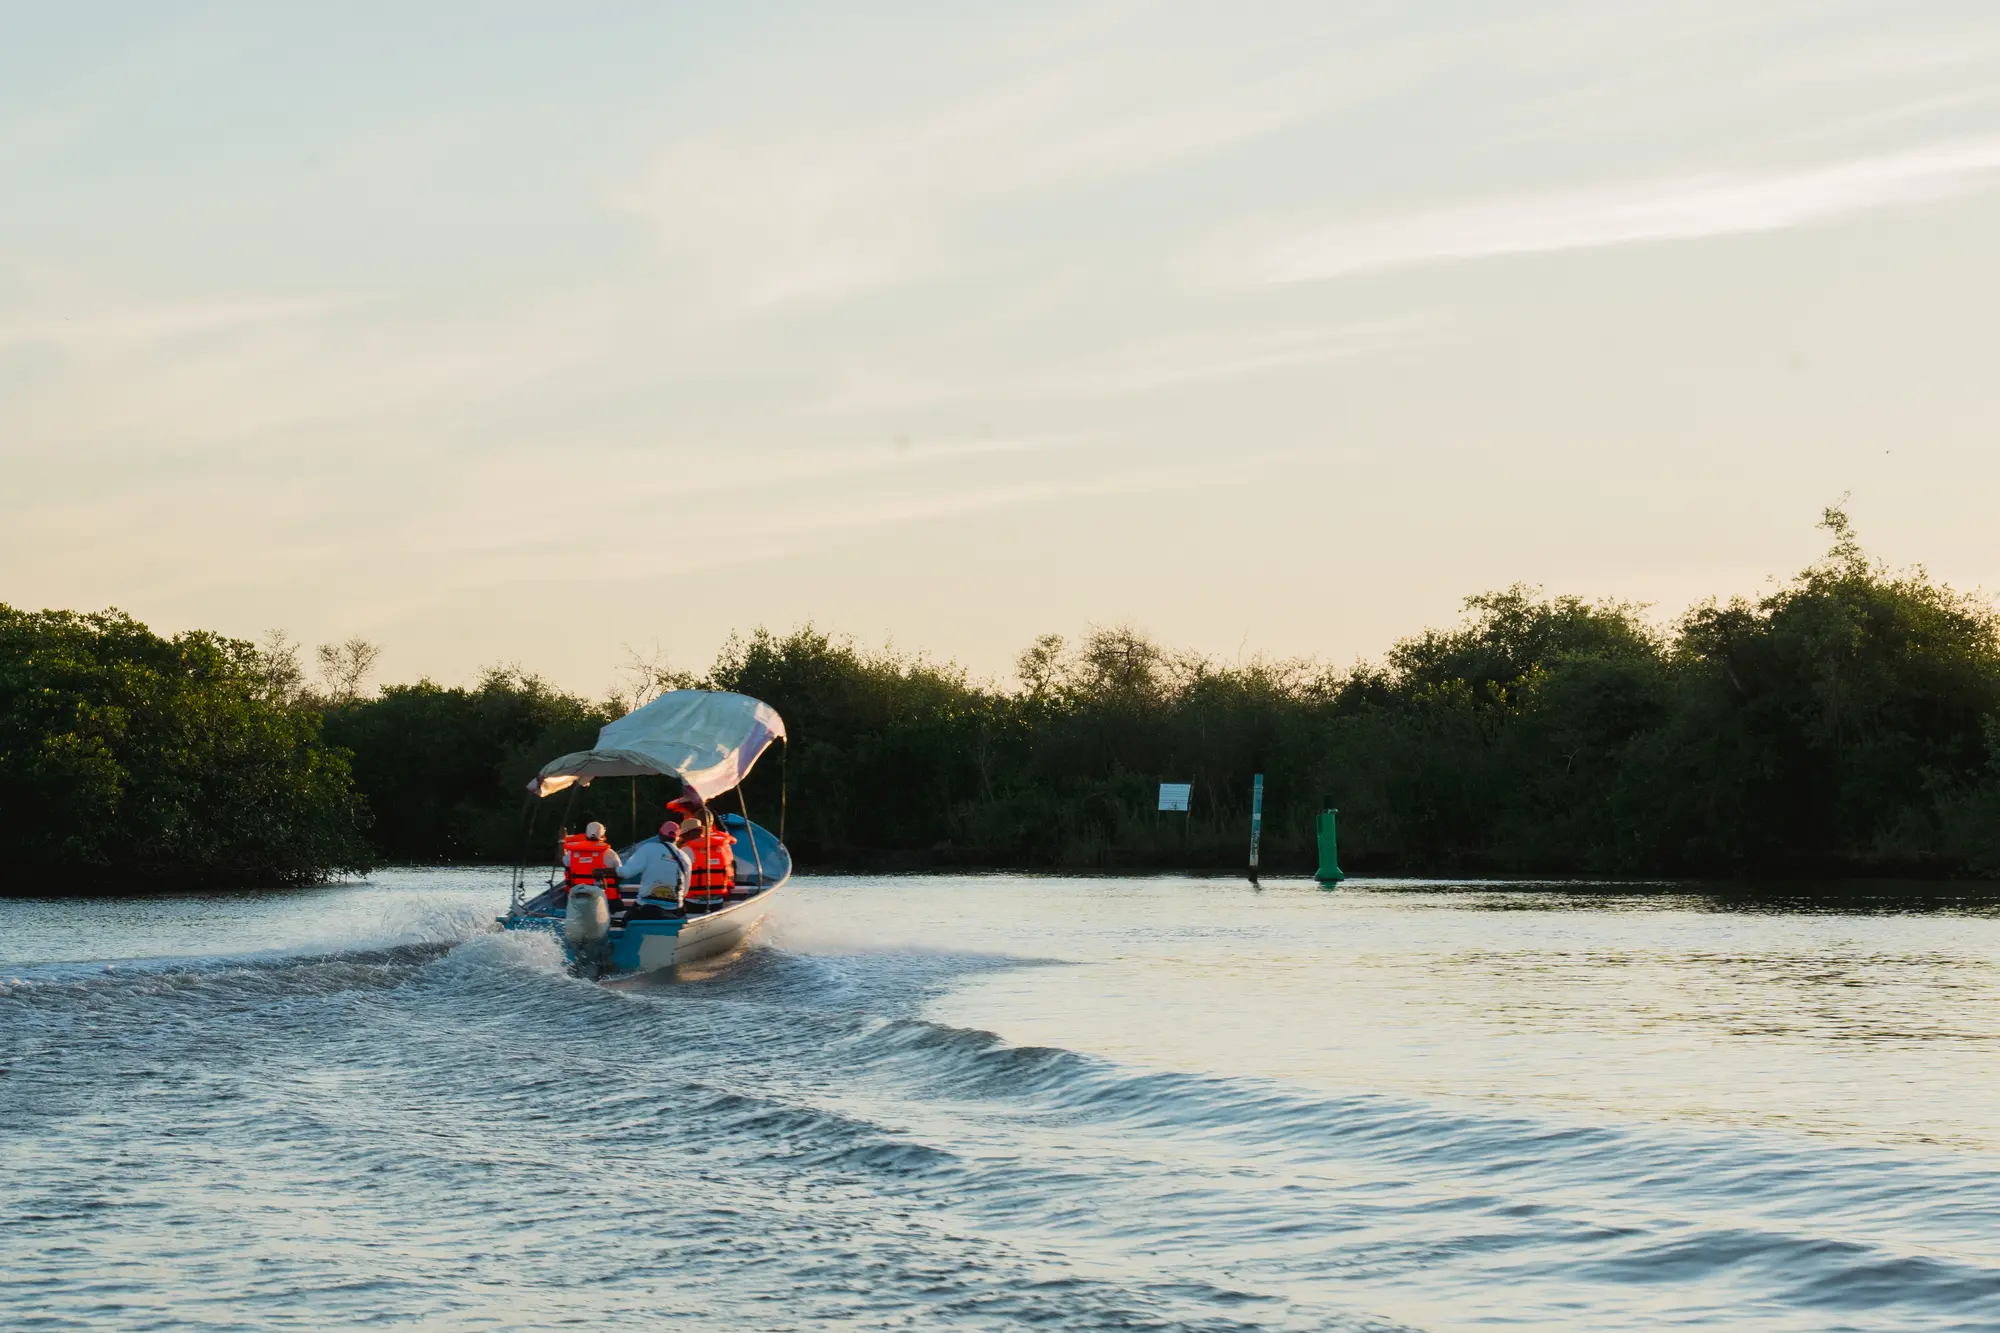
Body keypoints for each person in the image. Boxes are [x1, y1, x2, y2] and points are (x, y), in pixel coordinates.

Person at [618, 829, 692, 915]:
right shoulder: (685, 857)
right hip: (673, 909)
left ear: (660, 835)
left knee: (628, 917)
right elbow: (685, 891)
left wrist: (610, 870)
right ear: (677, 838)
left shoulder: (648, 848)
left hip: (645, 908)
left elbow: (626, 873)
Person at [560, 822, 623, 907]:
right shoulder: (609, 853)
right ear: (602, 836)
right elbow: (621, 873)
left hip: (577, 899)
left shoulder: (572, 854)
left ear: (586, 835)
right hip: (605, 900)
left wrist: (561, 840)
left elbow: (562, 861)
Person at [682, 815, 736, 909]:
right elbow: (731, 869)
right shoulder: (721, 847)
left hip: (693, 901)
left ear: (689, 834)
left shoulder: (686, 850)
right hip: (717, 900)